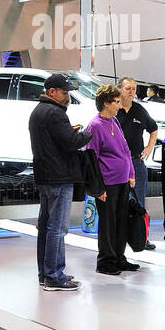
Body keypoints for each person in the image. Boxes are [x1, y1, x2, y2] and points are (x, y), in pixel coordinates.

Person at [29, 73, 91, 290]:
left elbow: (57, 139)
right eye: (64, 93)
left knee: (46, 226)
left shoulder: (38, 112)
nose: (67, 97)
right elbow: (71, 142)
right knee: (58, 228)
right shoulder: (55, 113)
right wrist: (86, 134)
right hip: (59, 177)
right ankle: (54, 276)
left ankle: (45, 274)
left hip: (45, 176)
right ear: (51, 91)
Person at [86, 84, 137, 276]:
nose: (119, 104)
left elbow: (125, 149)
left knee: (120, 221)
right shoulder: (95, 125)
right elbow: (91, 159)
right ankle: (106, 262)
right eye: (116, 101)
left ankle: (119, 258)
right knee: (108, 223)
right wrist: (98, 189)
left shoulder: (114, 121)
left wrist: (131, 173)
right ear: (106, 103)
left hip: (123, 181)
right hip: (107, 183)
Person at [116, 77, 158, 250]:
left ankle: (141, 238)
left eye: (133, 88)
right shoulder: (113, 109)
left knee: (139, 202)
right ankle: (118, 238)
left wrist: (149, 147)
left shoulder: (140, 110)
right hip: (117, 164)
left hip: (136, 162)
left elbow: (153, 129)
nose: (131, 91)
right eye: (128, 88)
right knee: (118, 201)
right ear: (119, 89)